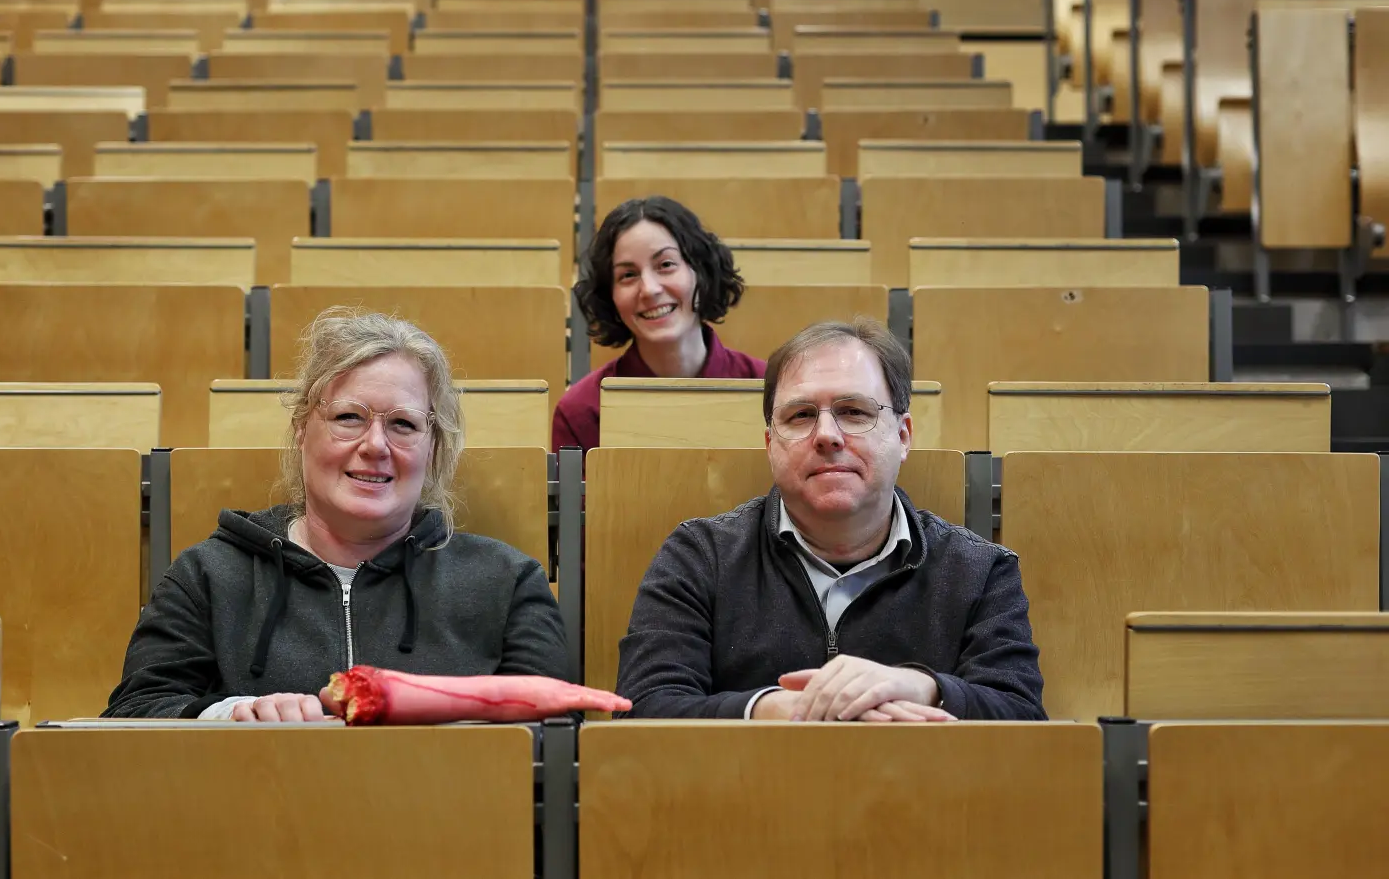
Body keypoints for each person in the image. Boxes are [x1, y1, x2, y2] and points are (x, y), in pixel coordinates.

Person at [104, 307, 570, 721]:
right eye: (349, 417)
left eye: (403, 424)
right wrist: (234, 715)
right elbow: (133, 714)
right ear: (303, 429)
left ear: (433, 449)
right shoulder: (206, 575)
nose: (374, 446)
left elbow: (556, 731)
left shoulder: (507, 583)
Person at [615, 318, 1045, 722]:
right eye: (800, 415)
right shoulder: (699, 557)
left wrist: (923, 687)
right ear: (770, 443)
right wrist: (769, 709)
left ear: (903, 435)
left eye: (854, 412)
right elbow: (642, 709)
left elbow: (1024, 719)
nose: (826, 435)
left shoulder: (981, 570)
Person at [553, 196, 766, 452]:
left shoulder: (768, 390)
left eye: (665, 265)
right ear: (610, 296)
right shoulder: (581, 411)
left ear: (701, 272)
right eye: (628, 275)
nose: (650, 289)